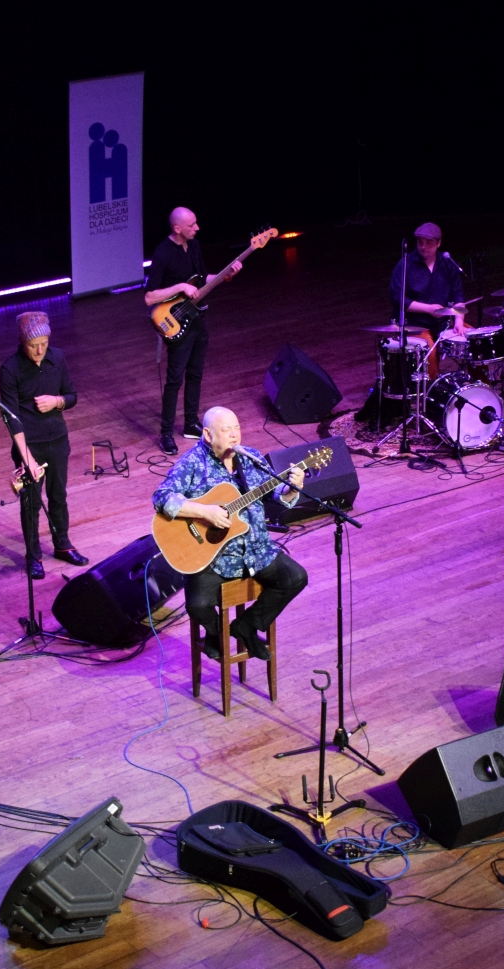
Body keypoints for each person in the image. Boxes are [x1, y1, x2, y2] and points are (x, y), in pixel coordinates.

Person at [152, 407, 308, 661]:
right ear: (208, 434)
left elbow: (274, 495)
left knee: (295, 578)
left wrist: (293, 488)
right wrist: (205, 512)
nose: (235, 435)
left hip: (257, 549)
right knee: (198, 605)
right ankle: (216, 633)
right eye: (227, 430)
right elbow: (161, 497)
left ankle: (246, 626)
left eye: (237, 428)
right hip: (214, 557)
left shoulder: (251, 458)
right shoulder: (193, 463)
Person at [0, 311, 88, 578]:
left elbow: (72, 395)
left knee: (58, 495)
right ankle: (33, 555)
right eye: (33, 345)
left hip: (57, 439)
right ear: (22, 342)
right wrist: (27, 458)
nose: (39, 351)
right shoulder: (10, 369)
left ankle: (63, 545)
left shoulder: (57, 358)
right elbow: (11, 419)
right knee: (31, 503)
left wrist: (56, 401)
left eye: (44, 344)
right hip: (29, 445)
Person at [145, 207, 240, 456]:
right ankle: (166, 432)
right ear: (177, 228)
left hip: (197, 319)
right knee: (174, 380)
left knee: (196, 374)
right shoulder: (163, 253)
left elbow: (203, 278)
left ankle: (190, 423)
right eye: (191, 225)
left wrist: (225, 275)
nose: (197, 228)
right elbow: (149, 297)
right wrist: (180, 287)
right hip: (176, 321)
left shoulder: (194, 246)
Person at [388, 221, 466, 337]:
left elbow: (458, 296)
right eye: (420, 242)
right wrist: (428, 309)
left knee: (469, 342)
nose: (423, 247)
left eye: (429, 243)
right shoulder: (405, 264)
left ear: (438, 243)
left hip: (443, 323)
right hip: (415, 325)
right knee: (428, 348)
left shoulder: (448, 263)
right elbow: (397, 299)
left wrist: (459, 321)